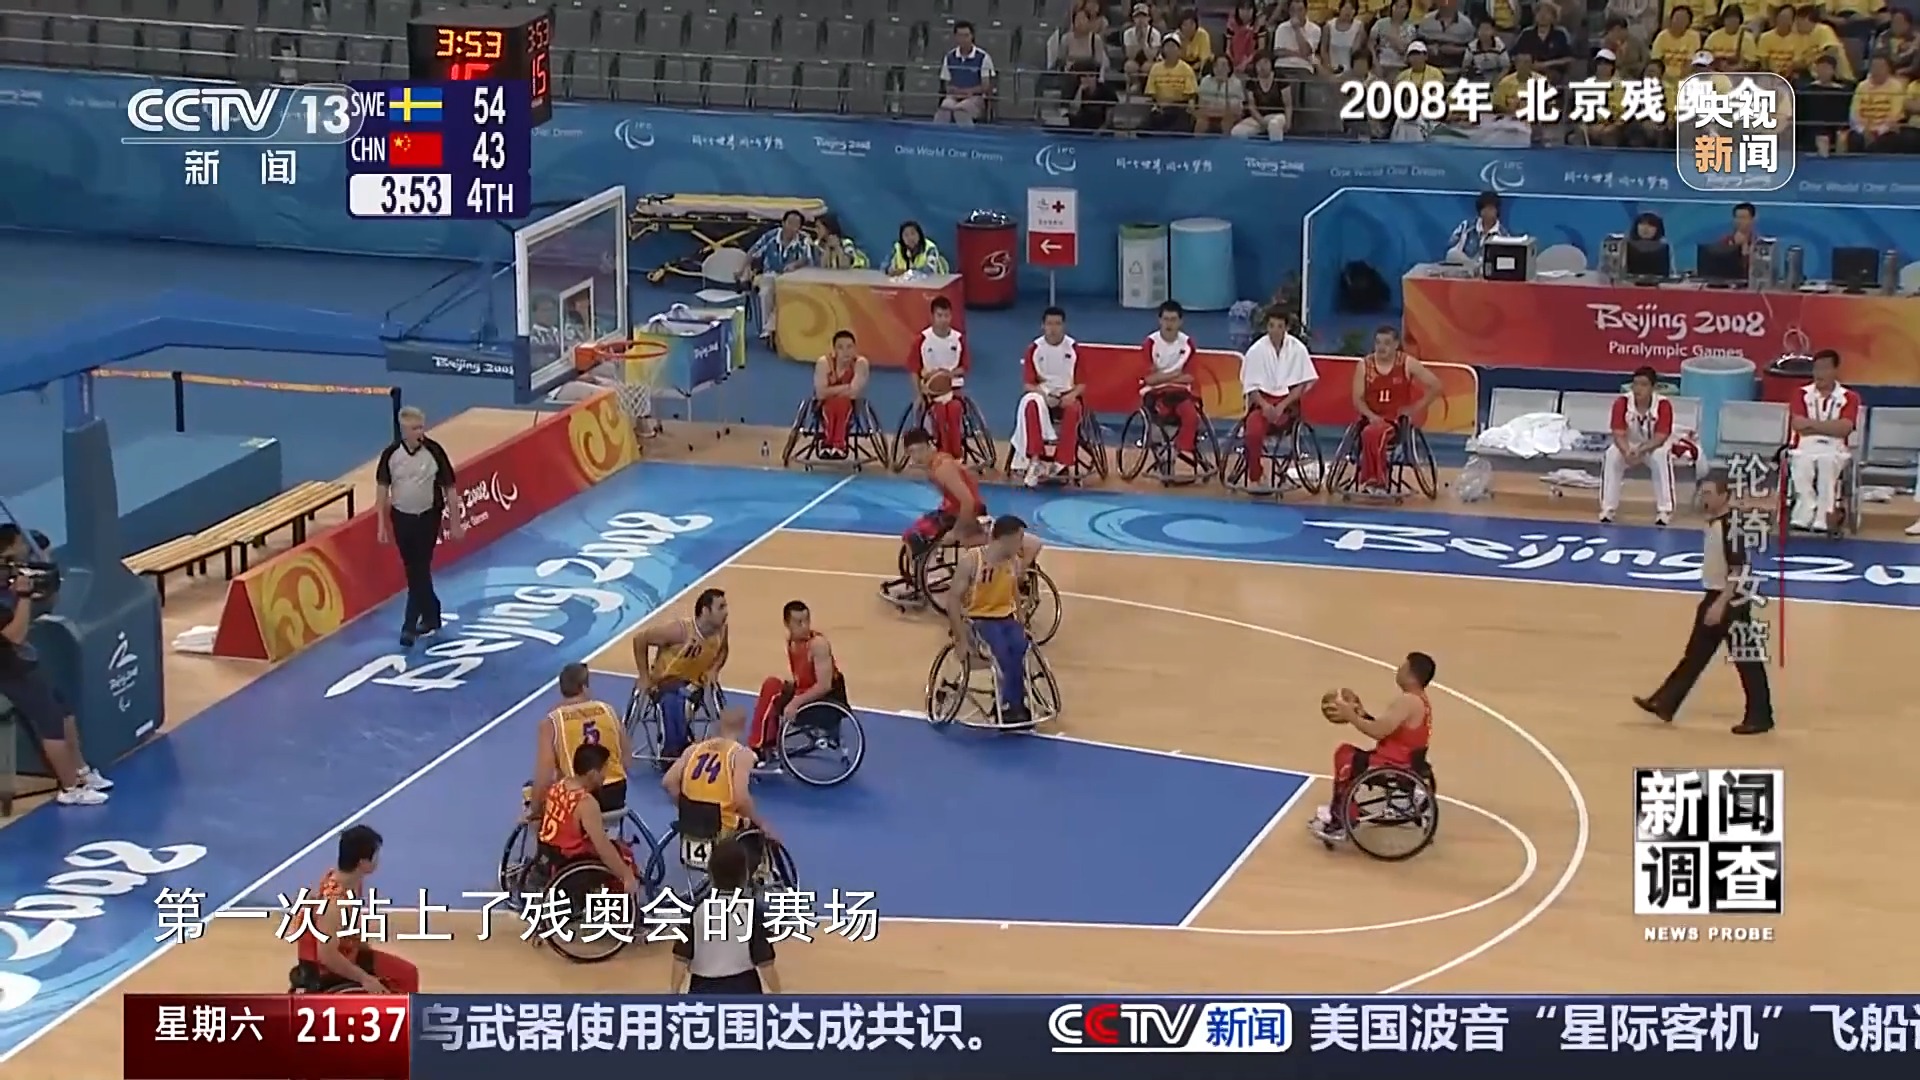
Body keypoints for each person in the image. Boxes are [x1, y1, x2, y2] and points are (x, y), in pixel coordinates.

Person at [1633, 473, 1775, 735]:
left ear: (1724, 495)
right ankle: (1665, 702)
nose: (1705, 498)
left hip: (1730, 599)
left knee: (1747, 660)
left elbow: (1738, 569)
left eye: (1709, 493)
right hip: (1716, 596)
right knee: (1695, 655)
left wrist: (1721, 604)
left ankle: (1760, 716)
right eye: (1703, 493)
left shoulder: (1731, 527)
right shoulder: (1716, 523)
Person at [0, 524, 110, 805]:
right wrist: (24, 597)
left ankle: (81, 772)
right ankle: (70, 788)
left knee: (65, 712)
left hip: (23, 661)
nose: (25, 546)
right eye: (20, 542)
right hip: (8, 669)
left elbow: (44, 565)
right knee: (51, 723)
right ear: (8, 548)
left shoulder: (8, 571)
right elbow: (14, 635)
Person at [1309, 651, 1437, 844]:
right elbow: (1388, 729)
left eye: (1402, 667)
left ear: (1411, 675)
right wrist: (1362, 714)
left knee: (1344, 756)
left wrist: (1351, 716)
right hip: (1406, 760)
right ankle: (1341, 810)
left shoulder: (1408, 701)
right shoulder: (1419, 700)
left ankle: (1341, 822)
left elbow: (1377, 732)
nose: (1398, 670)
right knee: (1349, 754)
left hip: (1393, 764)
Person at [291, 825, 423, 993]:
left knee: (408, 972)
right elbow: (327, 956)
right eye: (375, 856)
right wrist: (365, 978)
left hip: (348, 949)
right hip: (327, 967)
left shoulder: (346, 879)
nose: (378, 860)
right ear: (363, 863)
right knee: (405, 977)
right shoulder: (334, 905)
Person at [375, 406, 464, 647]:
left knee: (419, 568)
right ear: (404, 431)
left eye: (421, 427)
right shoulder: (391, 455)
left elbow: (450, 489)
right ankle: (432, 613)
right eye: (414, 429)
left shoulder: (434, 451)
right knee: (413, 569)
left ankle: (409, 626)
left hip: (428, 518)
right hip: (401, 518)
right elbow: (382, 490)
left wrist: (455, 522)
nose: (420, 432)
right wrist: (381, 524)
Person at [947, 515, 1045, 726]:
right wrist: (960, 639)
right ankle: (1011, 704)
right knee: (1002, 652)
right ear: (1005, 539)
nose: (1021, 544)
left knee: (1020, 647)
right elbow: (953, 599)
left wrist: (1021, 619)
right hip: (977, 619)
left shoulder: (1013, 562)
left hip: (1005, 618)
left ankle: (1013, 702)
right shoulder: (972, 561)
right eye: (1019, 539)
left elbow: (1014, 592)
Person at [884, 429, 987, 605]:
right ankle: (924, 577)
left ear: (928, 446)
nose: (915, 457)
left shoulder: (942, 468)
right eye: (910, 453)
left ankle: (925, 581)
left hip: (966, 513)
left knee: (913, 536)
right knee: (916, 529)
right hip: (954, 509)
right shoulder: (937, 462)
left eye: (917, 451)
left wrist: (956, 531)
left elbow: (968, 501)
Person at [664, 705, 776, 865]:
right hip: (723, 829)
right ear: (742, 727)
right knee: (761, 832)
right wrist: (761, 823)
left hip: (691, 825)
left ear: (718, 726)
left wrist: (687, 807)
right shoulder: (741, 755)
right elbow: (741, 798)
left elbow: (668, 782)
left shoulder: (693, 750)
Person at [670, 837, 782, 994]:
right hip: (744, 990)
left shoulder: (695, 909)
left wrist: (673, 993)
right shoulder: (752, 911)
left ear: (710, 873)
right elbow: (765, 962)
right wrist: (779, 995)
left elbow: (681, 958)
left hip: (702, 990)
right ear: (745, 874)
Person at [630, 588, 730, 763]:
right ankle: (673, 751)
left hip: (696, 686)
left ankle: (683, 748)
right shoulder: (680, 631)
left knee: (685, 696)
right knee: (676, 698)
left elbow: (723, 651)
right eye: (721, 607)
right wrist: (644, 676)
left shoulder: (721, 630)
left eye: (725, 606)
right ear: (705, 611)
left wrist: (714, 670)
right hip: (665, 684)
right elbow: (640, 639)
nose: (726, 612)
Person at [748, 601, 849, 768]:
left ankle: (757, 748)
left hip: (826, 701)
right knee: (771, 684)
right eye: (799, 622)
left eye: (807, 621)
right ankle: (766, 742)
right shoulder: (792, 642)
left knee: (775, 696)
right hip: (806, 693)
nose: (805, 626)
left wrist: (795, 702)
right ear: (787, 624)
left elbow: (824, 685)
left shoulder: (818, 645)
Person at [530, 663, 629, 822]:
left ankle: (543, 836)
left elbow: (544, 776)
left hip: (578, 798)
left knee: (530, 792)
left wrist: (534, 810)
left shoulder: (551, 722)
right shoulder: (610, 711)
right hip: (615, 794)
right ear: (584, 687)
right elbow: (627, 760)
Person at [537, 743, 640, 891]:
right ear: (592, 774)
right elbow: (603, 848)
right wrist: (626, 875)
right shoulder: (586, 803)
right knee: (625, 858)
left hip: (550, 851)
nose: (605, 776)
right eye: (604, 770)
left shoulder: (558, 786)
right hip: (571, 860)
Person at [1349, 326, 1440, 494]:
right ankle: (1374, 479)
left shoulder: (1406, 363)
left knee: (1374, 433)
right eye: (1378, 343)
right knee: (1370, 432)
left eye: (1386, 343)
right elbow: (1357, 399)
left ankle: (1376, 480)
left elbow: (1435, 385)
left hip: (1396, 420)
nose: (1381, 347)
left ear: (1396, 344)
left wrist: (1415, 408)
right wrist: (1371, 416)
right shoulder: (1364, 365)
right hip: (1372, 418)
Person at [1236, 309, 1319, 494]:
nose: (1275, 330)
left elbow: (1302, 384)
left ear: (1286, 328)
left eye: (1279, 326)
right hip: (1262, 403)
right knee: (1252, 433)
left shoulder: (1297, 349)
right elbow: (1251, 387)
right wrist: (1265, 406)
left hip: (1288, 404)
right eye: (1271, 326)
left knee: (1284, 419)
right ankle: (1256, 476)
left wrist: (1281, 406)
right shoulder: (1256, 351)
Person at [1786, 348, 1860, 532]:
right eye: (1816, 369)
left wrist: (1812, 425)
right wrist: (1830, 426)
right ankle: (1805, 511)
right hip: (1805, 445)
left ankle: (1823, 516)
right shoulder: (1801, 394)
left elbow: (1844, 428)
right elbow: (1798, 424)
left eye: (1825, 369)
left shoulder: (1849, 397)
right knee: (1801, 463)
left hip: (1835, 448)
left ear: (1835, 371)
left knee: (1827, 463)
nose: (1819, 374)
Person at [1013, 307, 1086, 487]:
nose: (1053, 328)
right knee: (1031, 404)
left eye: (1057, 324)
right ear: (1043, 326)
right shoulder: (1034, 349)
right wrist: (1044, 396)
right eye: (1049, 324)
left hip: (1067, 395)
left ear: (1064, 326)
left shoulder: (1074, 349)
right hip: (1043, 396)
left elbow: (1082, 384)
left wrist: (1072, 395)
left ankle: (1061, 462)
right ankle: (1035, 459)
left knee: (1073, 409)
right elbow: (1028, 384)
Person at [1601, 366, 1677, 526]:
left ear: (1653, 388)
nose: (1638, 389)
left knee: (1661, 456)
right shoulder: (1622, 403)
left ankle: (1665, 510)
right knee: (1611, 454)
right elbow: (1618, 433)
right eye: (1635, 384)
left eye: (1643, 385)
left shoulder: (1663, 405)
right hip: (1629, 445)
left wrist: (1641, 450)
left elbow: (1660, 437)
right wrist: (1626, 451)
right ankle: (1608, 508)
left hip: (1652, 446)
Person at [1139, 300, 1207, 475]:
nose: (1169, 324)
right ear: (1159, 320)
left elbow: (1190, 376)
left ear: (1180, 322)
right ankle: (1164, 453)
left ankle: (1176, 451)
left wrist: (1162, 375)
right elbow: (1149, 379)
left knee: (1191, 416)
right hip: (1155, 393)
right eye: (1166, 319)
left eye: (1173, 320)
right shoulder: (1150, 343)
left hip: (1180, 392)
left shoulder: (1187, 344)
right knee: (1161, 417)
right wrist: (1175, 374)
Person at [739, 209, 816, 344]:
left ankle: (771, 328)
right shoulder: (770, 236)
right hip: (770, 275)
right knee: (766, 292)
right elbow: (753, 252)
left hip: (791, 280)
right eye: (789, 223)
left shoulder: (804, 239)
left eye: (796, 225)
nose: (792, 227)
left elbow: (806, 258)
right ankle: (768, 331)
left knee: (787, 294)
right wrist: (742, 270)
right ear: (783, 223)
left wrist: (795, 264)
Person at [910, 296, 971, 458]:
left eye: (946, 316)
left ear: (951, 316)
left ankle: (956, 452)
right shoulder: (922, 340)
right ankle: (943, 451)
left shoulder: (958, 339)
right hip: (932, 392)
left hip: (953, 389)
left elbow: (964, 367)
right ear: (932, 316)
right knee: (940, 413)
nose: (943, 320)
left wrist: (948, 374)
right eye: (939, 315)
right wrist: (919, 394)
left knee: (954, 410)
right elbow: (914, 369)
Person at [812, 330, 871, 460]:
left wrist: (830, 390)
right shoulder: (824, 363)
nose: (846, 352)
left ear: (855, 349)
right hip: (824, 406)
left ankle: (835, 443)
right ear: (834, 350)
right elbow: (820, 394)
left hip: (849, 406)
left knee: (841, 403)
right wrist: (845, 387)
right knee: (834, 404)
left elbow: (854, 393)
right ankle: (832, 443)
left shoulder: (860, 364)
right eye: (841, 347)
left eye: (849, 347)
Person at [1445, 190, 1507, 264]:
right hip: (1465, 268)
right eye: (1484, 208)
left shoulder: (1503, 235)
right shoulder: (1466, 226)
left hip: (1488, 269)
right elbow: (1451, 251)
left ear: (1497, 210)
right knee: (1452, 254)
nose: (1487, 212)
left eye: (1491, 209)